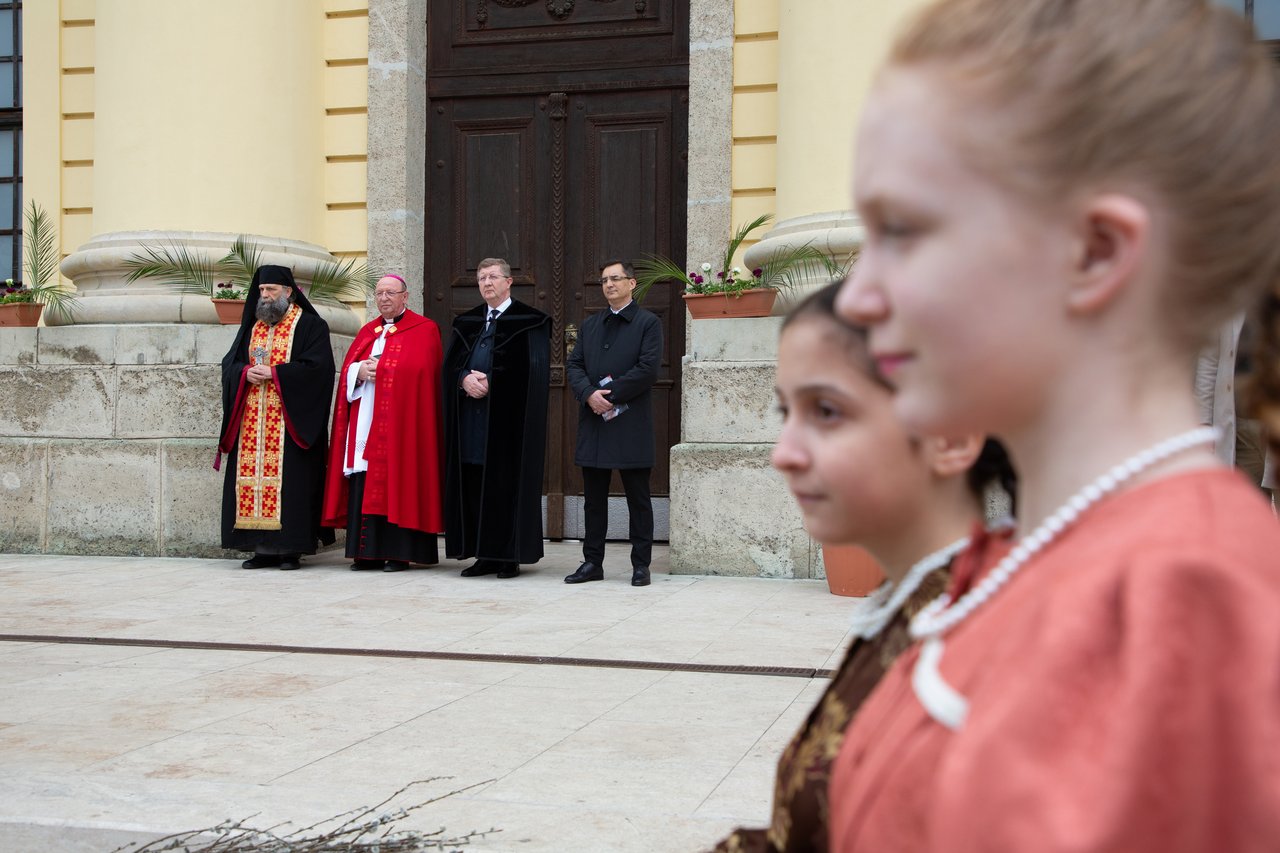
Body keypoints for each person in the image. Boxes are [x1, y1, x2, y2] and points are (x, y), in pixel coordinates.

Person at [828, 1, 1280, 850]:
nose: (856, 296)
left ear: (1096, 252)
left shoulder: (1177, 608)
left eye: (903, 230)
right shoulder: (1047, 555)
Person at [713, 282, 1015, 853]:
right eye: (787, 411)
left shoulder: (994, 644)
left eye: (826, 411)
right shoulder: (919, 605)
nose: (784, 451)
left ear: (950, 436)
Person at [321, 274, 444, 572]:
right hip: (366, 419)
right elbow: (349, 369)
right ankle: (365, 553)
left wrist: (387, 367)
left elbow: (423, 372)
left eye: (391, 293)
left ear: (405, 296)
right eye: (379, 293)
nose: (385, 298)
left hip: (402, 425)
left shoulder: (424, 329)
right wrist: (358, 371)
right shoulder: (367, 331)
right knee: (365, 478)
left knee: (399, 478)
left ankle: (397, 553)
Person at [217, 264, 335, 570]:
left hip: (290, 421)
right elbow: (229, 365)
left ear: (289, 293)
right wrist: (244, 373)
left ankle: (289, 550)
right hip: (252, 421)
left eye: (271, 290)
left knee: (291, 484)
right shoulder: (251, 328)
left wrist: (276, 373)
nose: (265, 296)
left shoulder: (310, 326)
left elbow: (318, 370)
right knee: (252, 482)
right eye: (261, 291)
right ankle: (260, 549)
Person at [442, 258, 551, 579]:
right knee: (474, 482)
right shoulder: (467, 322)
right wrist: (463, 379)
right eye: (481, 278)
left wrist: (493, 382)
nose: (487, 282)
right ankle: (483, 555)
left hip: (508, 423)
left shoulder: (530, 321)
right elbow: (449, 367)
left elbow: (534, 371)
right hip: (472, 421)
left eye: (493, 277)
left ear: (508, 282)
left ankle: (507, 557)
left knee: (504, 486)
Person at [563, 260, 663, 587]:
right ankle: (592, 562)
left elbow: (648, 369)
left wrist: (611, 394)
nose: (609, 284)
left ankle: (641, 565)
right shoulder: (591, 325)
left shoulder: (648, 323)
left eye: (615, 279)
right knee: (594, 499)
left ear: (632, 283)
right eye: (604, 280)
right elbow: (574, 365)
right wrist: (589, 394)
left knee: (638, 497)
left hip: (630, 423)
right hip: (595, 423)